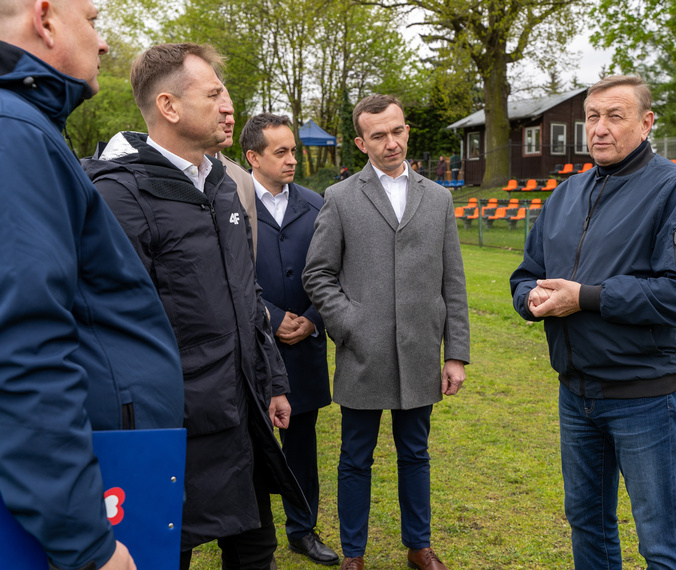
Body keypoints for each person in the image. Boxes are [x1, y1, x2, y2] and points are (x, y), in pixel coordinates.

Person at [81, 43, 310, 570]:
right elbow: (112, 333)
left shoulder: (224, 185)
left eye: (226, 93)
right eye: (214, 94)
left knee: (256, 555)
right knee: (164, 556)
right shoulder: (119, 196)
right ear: (169, 106)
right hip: (172, 433)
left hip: (242, 418)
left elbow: (246, 293)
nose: (229, 106)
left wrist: (272, 380)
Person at [0, 1, 184, 569]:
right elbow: (23, 348)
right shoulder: (16, 134)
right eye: (95, 20)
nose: (103, 43)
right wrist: (87, 542)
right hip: (87, 511)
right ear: (46, 18)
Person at [510, 75, 676, 569]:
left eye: (614, 116)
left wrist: (587, 298)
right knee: (587, 522)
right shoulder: (565, 194)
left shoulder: (674, 189)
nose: (599, 129)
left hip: (644, 393)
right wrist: (531, 298)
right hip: (576, 392)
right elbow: (526, 273)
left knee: (660, 539)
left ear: (646, 123)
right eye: (592, 117)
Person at [303, 94, 470, 570]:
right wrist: (348, 324)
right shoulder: (340, 198)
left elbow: (452, 281)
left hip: (420, 352)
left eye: (397, 131)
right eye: (378, 135)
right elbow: (317, 274)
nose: (391, 142)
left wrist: (455, 352)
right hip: (363, 354)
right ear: (361, 142)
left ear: (407, 131)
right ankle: (354, 553)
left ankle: (419, 545)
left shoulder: (438, 199)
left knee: (415, 453)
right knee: (356, 457)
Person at [240, 113, 339, 566]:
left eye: (293, 150)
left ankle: (303, 529)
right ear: (252, 157)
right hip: (251, 348)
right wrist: (273, 317)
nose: (292, 159)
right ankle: (252, 537)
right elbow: (231, 275)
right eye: (280, 151)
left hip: (306, 349)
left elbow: (340, 272)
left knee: (302, 445)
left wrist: (314, 319)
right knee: (251, 447)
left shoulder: (318, 205)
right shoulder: (230, 205)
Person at [206, 89, 259, 259]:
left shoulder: (243, 178)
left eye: (231, 112)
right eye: (222, 112)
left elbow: (250, 253)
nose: (231, 120)